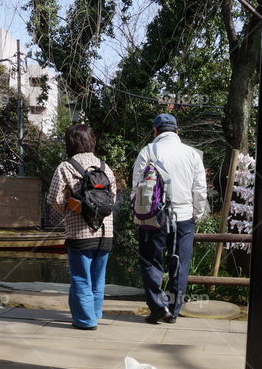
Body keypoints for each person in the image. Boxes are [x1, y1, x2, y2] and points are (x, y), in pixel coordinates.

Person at [132, 113, 209, 324]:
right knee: (180, 264)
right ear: (176, 131)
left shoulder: (148, 151)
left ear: (155, 131)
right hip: (184, 217)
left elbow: (137, 188)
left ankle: (158, 308)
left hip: (153, 217)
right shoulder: (192, 154)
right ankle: (173, 312)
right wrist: (196, 214)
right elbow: (200, 190)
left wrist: (139, 213)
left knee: (150, 261)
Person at [47, 124, 116, 330]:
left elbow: (54, 198)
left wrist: (70, 211)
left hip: (79, 233)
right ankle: (94, 313)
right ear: (92, 141)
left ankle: (86, 321)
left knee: (80, 277)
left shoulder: (66, 167)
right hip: (105, 232)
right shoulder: (104, 167)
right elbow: (112, 199)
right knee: (98, 278)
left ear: (69, 143)